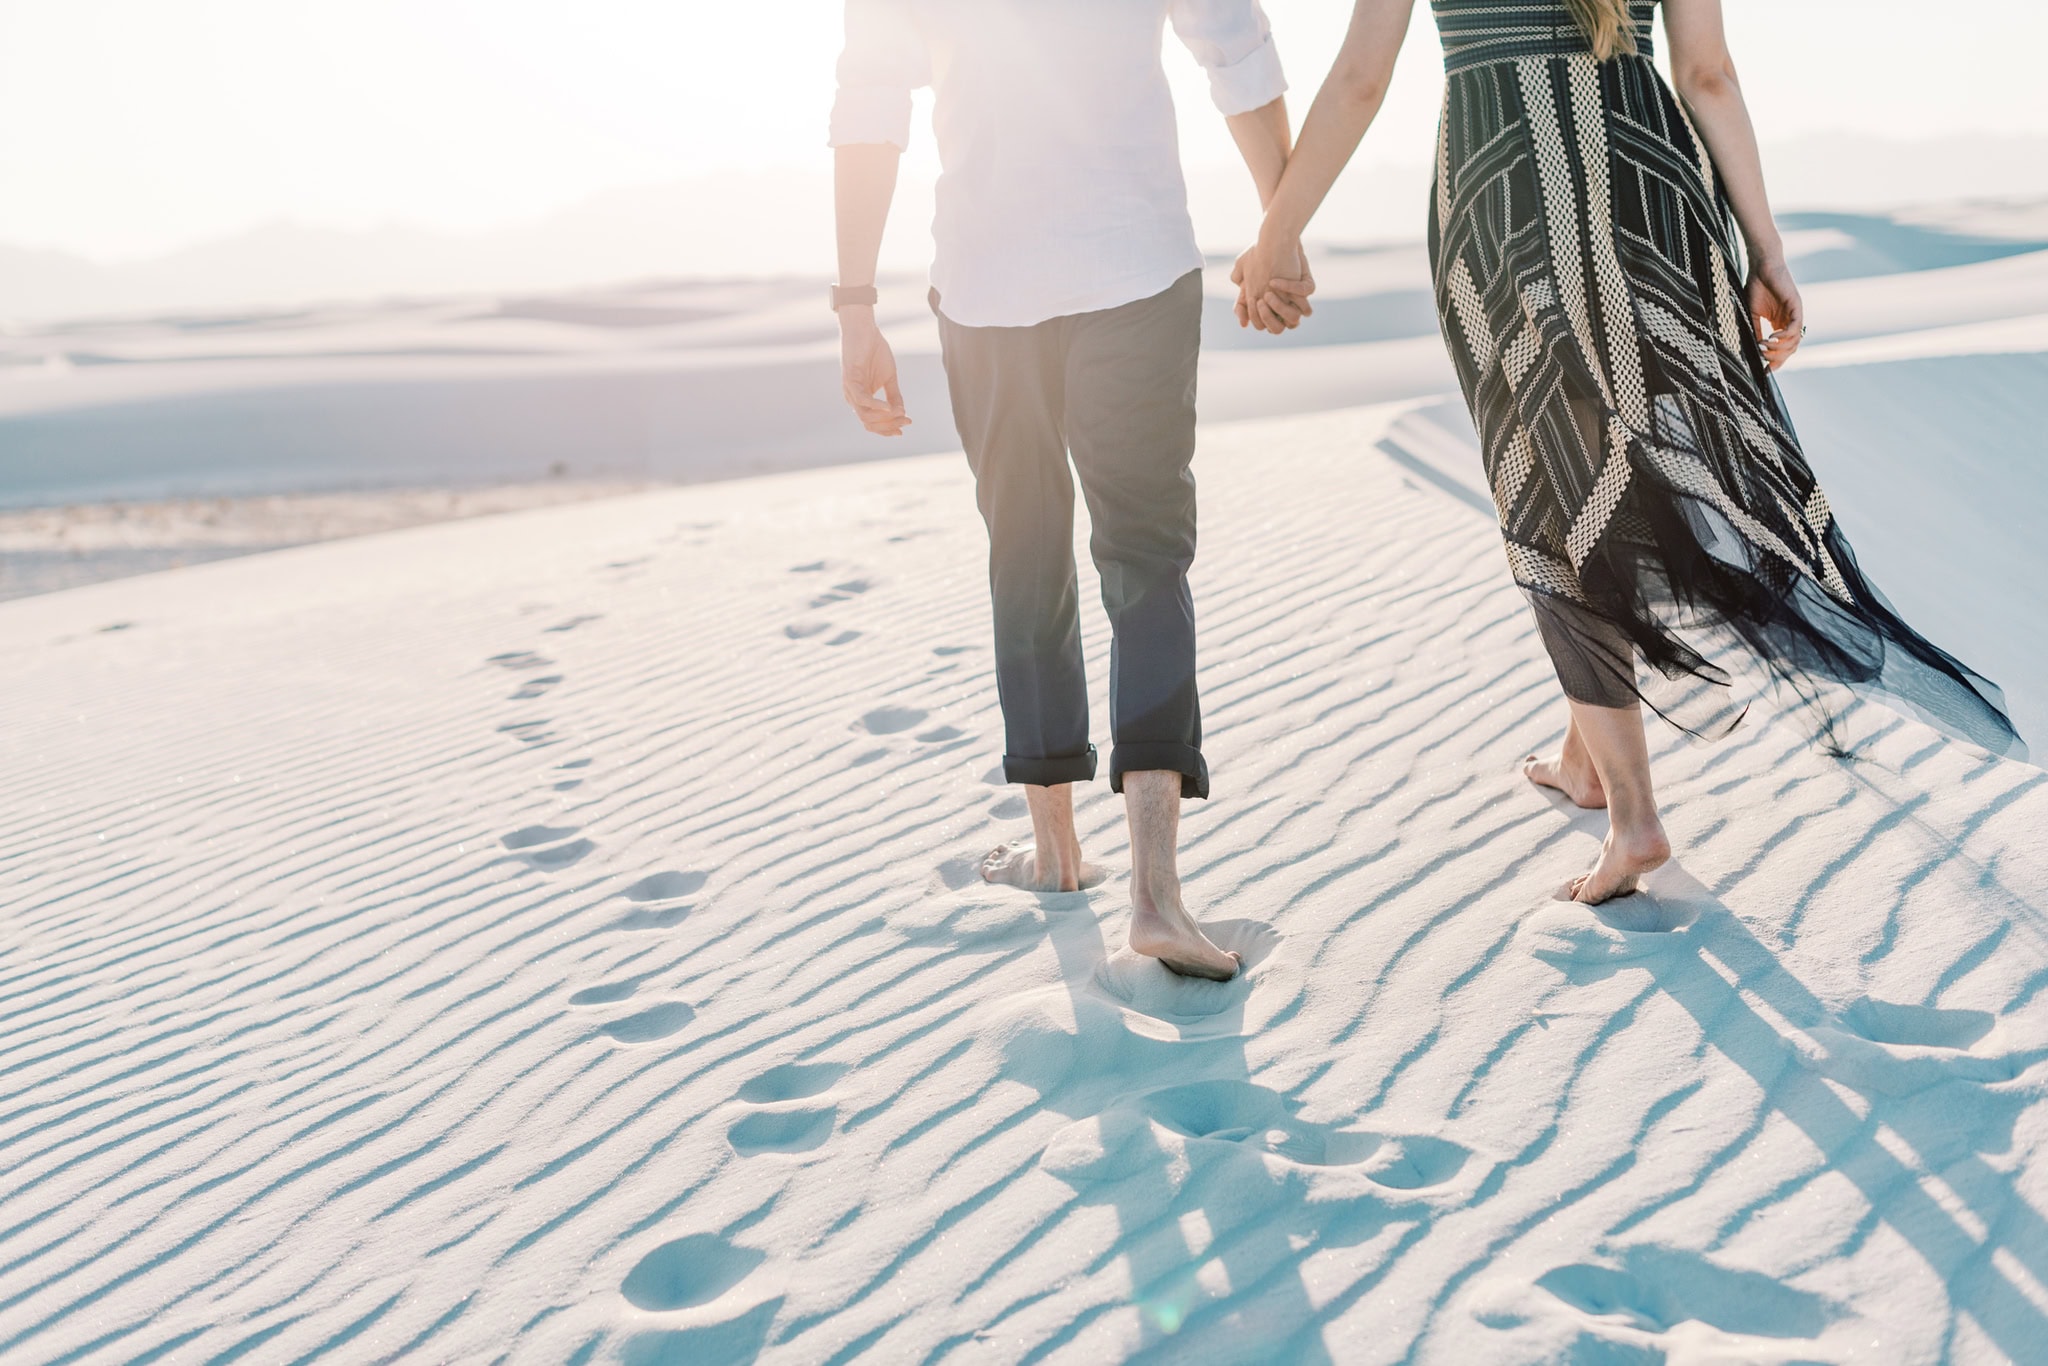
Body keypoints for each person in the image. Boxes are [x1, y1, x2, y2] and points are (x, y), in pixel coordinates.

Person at [1232, 0, 2022, 902]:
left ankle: (1634, 817)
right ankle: (1585, 757)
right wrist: (1766, 250)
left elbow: (1361, 80)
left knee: (1549, 480)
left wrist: (1276, 234)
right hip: (1646, 173)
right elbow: (1708, 76)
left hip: (1503, 175)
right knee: (1627, 455)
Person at [831, 0, 1302, 978]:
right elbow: (1234, 45)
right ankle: (1154, 892)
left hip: (987, 283)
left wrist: (854, 304)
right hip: (1127, 266)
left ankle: (1054, 851)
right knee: (1143, 555)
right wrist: (1278, 223)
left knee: (1025, 552)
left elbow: (870, 98)